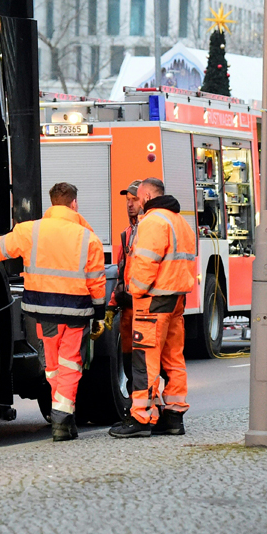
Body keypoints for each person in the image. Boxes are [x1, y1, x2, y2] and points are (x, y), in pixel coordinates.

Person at [0, 182, 105, 442]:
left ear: (51, 203)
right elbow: (96, 281)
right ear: (74, 204)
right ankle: (62, 419)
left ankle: (63, 416)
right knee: (70, 365)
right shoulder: (89, 238)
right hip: (75, 313)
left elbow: (0, 247)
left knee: (53, 365)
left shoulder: (30, 230)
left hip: (43, 311)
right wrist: (99, 313)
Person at [109, 177, 196, 438]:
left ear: (146, 195)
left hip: (152, 302)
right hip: (176, 300)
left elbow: (146, 263)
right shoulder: (180, 222)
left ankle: (140, 417)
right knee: (173, 359)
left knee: (144, 360)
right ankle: (173, 415)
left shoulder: (153, 222)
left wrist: (132, 293)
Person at [106, 179, 143, 391]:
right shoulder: (127, 234)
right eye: (128, 200)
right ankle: (137, 409)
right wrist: (112, 304)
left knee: (144, 366)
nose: (129, 204)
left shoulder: (147, 231)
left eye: (134, 199)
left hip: (144, 308)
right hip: (128, 309)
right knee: (130, 366)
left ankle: (146, 412)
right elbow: (122, 272)